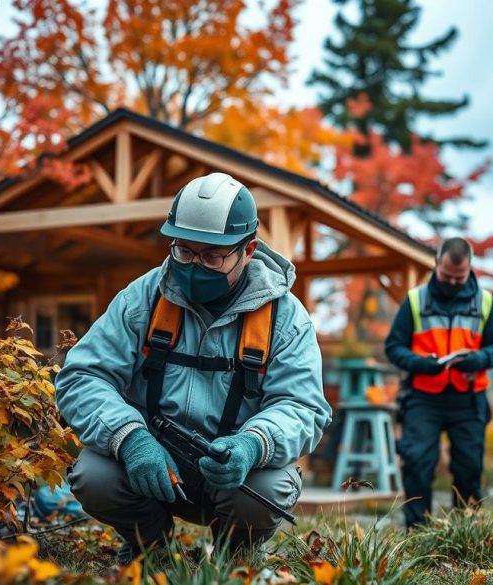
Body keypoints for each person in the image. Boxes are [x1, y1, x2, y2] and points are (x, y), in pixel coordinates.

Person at [55, 172, 332, 561]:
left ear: (248, 249)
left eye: (211, 256)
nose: (193, 266)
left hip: (237, 471)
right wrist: (131, 438)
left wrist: (252, 445)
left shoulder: (285, 319)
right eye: (183, 251)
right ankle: (151, 550)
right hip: (153, 463)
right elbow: (82, 377)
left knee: (270, 489)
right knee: (93, 475)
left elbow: (303, 408)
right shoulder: (143, 299)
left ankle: (235, 557)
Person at [384, 237, 493, 528]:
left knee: (469, 468)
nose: (453, 283)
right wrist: (420, 363)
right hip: (423, 397)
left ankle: (464, 530)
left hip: (468, 399)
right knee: (417, 463)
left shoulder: (485, 302)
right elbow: (393, 347)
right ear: (436, 265)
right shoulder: (415, 301)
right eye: (446, 277)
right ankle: (417, 531)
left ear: (469, 270)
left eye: (460, 278)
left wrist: (479, 359)